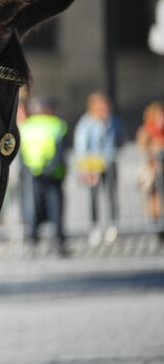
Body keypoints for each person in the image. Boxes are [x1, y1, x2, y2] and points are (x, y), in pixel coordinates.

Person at [19, 95, 68, 256]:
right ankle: (58, 242)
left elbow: (22, 150)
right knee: (56, 210)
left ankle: (32, 241)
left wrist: (23, 169)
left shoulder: (28, 125)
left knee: (33, 208)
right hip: (54, 174)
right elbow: (61, 150)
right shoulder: (58, 125)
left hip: (32, 172)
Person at [73, 92, 124, 243]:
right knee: (94, 198)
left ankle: (113, 225)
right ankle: (95, 227)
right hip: (93, 164)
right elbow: (81, 146)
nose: (103, 110)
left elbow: (120, 137)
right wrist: (84, 168)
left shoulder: (113, 121)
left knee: (111, 195)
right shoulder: (87, 123)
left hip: (109, 162)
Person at [136, 101, 164, 221]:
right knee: (154, 198)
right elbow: (143, 148)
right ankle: (157, 224)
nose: (161, 119)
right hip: (153, 171)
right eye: (158, 116)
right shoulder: (146, 131)